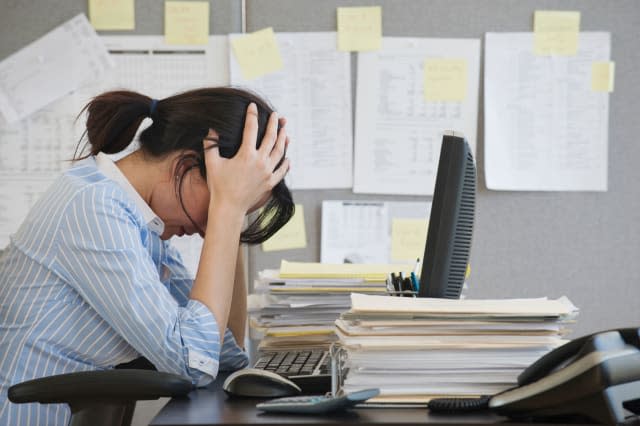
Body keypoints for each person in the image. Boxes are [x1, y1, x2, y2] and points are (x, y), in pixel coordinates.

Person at [0, 87, 294, 425]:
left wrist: (231, 212)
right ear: (186, 165)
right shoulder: (93, 207)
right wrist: (225, 213)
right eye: (220, 201)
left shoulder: (142, 226)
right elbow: (192, 361)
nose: (205, 229)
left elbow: (223, 351)